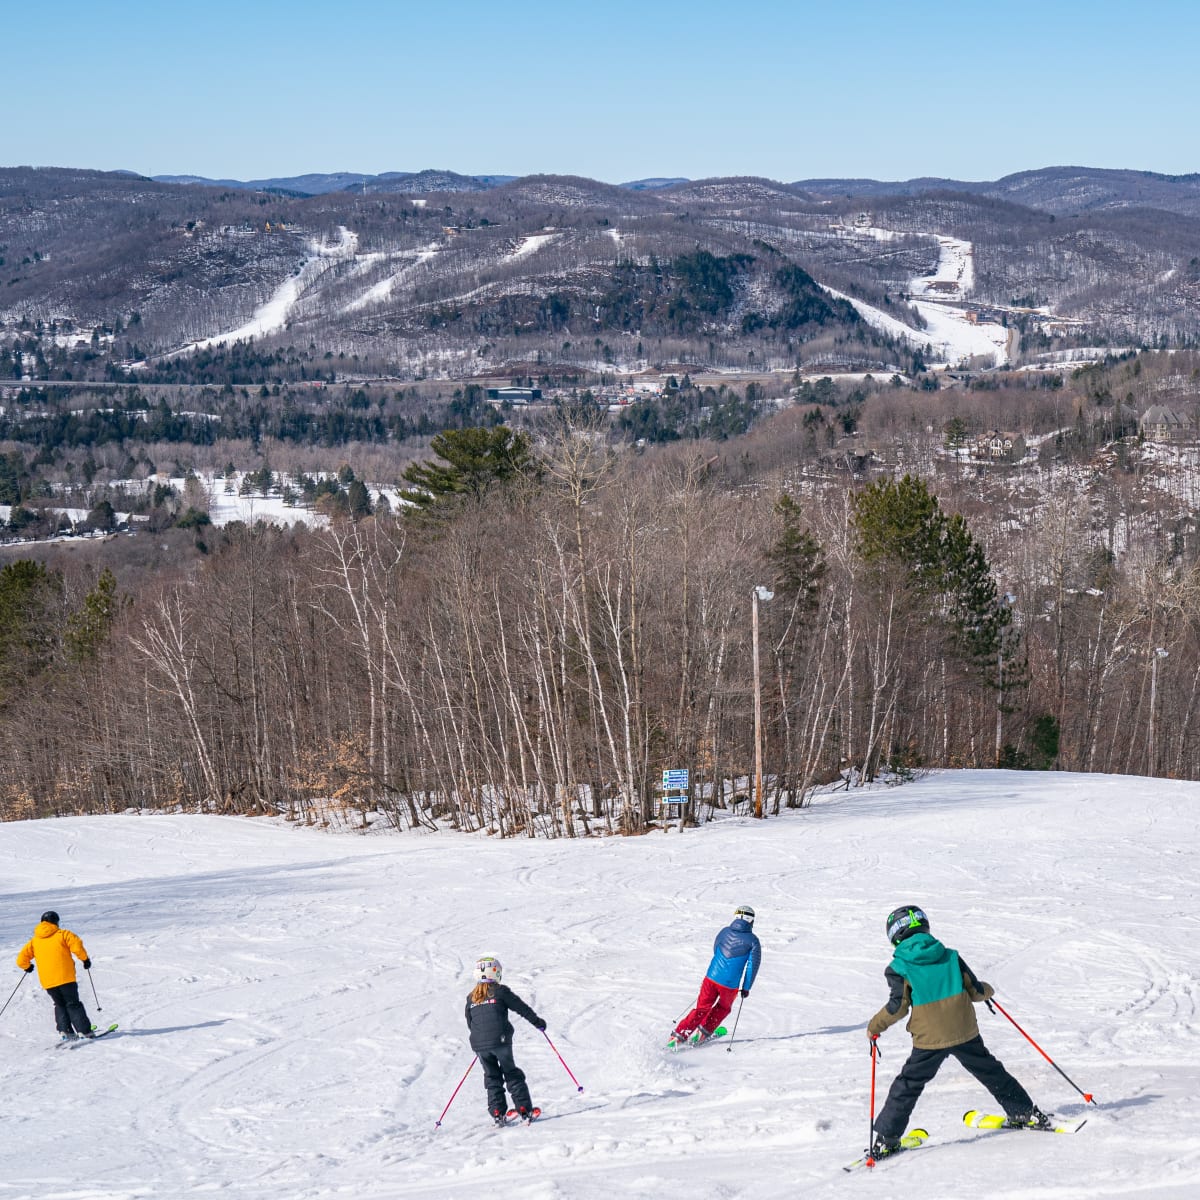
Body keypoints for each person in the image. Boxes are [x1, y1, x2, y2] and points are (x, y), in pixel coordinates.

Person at [866, 904, 1048, 1157]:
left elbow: (897, 1008)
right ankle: (1024, 1112)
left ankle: (888, 1138)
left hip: (929, 1040)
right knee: (990, 1071)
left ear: (895, 936)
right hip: (964, 1031)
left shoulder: (898, 968)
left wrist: (874, 1027)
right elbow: (976, 991)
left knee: (908, 1084)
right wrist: (988, 990)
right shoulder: (950, 956)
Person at [464, 956, 545, 1126]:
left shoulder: (471, 998)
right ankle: (524, 1110)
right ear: (495, 974)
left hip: (480, 1045)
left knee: (492, 1077)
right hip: (500, 1041)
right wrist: (538, 1023)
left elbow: (470, 1022)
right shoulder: (500, 991)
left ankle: (497, 1113)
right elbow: (521, 1008)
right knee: (511, 1073)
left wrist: (481, 1041)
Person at [671, 904, 761, 1046]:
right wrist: (746, 987)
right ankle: (703, 1032)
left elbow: (716, 948)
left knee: (701, 1008)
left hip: (711, 978)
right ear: (751, 921)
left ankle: (679, 1035)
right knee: (723, 1008)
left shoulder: (724, 931)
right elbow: (752, 966)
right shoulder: (753, 940)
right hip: (730, 985)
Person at [16, 911, 96, 1041]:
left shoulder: (34, 941)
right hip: (66, 978)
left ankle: (65, 1031)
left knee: (59, 1004)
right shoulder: (63, 934)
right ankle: (84, 1031)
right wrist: (85, 960)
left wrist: (27, 967)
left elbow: (21, 960)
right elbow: (77, 946)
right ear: (56, 922)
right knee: (73, 1004)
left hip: (48, 981)